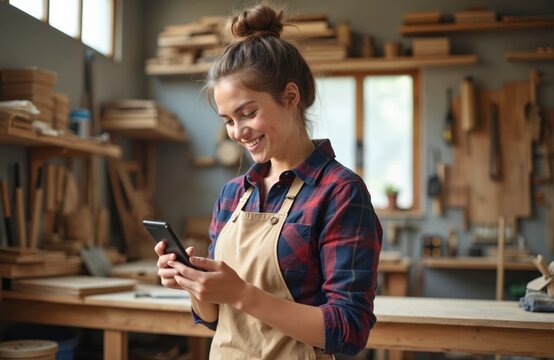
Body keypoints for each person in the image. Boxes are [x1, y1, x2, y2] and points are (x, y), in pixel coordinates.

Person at [155, 4, 382, 359]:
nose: (237, 132)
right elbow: (217, 320)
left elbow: (349, 330)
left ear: (290, 97)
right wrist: (195, 284)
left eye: (248, 113)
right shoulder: (233, 194)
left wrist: (241, 293)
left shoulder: (339, 192)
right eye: (228, 120)